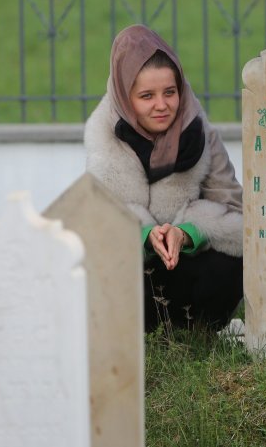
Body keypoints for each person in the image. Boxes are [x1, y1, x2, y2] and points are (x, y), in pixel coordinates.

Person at [84, 24, 244, 330]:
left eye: (170, 92)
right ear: (124, 96)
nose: (162, 105)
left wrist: (187, 234)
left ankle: (199, 331)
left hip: (188, 267)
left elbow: (234, 209)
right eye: (147, 96)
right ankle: (134, 333)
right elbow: (99, 224)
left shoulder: (199, 133)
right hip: (136, 278)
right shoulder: (103, 138)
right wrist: (146, 237)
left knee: (230, 265)